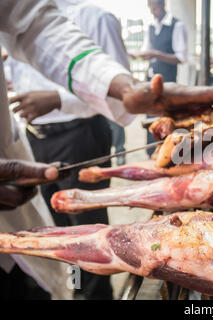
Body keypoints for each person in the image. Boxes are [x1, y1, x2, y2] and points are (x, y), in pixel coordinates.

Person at [6, 0, 134, 299]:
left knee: (88, 230)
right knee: (57, 229)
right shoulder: (13, 18)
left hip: (80, 135)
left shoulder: (96, 17)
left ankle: (96, 294)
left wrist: (58, 99)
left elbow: (120, 89)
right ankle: (76, 289)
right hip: (35, 138)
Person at [130, 0, 187, 156]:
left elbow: (181, 57)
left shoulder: (176, 25)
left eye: (154, 6)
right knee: (151, 115)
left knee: (165, 116)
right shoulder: (151, 26)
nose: (152, 10)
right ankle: (151, 153)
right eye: (150, 7)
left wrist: (156, 54)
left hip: (167, 81)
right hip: (151, 78)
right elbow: (147, 50)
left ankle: (168, 153)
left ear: (162, 5)